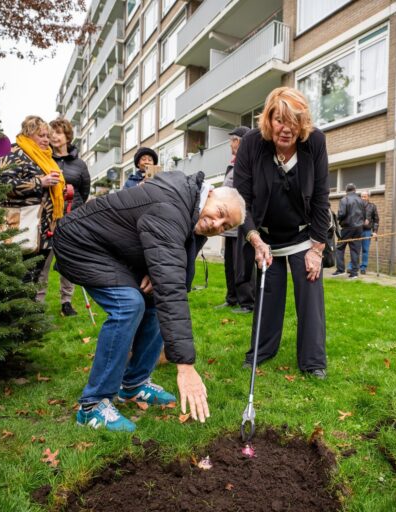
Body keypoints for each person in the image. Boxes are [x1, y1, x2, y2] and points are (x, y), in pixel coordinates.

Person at [52, 170, 245, 432]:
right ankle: (93, 405)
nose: (217, 224)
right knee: (128, 305)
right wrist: (185, 366)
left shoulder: (193, 214)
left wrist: (157, 271)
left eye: (225, 226)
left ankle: (133, 384)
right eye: (220, 212)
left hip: (113, 250)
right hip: (80, 242)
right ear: (209, 194)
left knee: (153, 299)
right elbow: (172, 289)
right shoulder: (172, 205)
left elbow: (178, 277)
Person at [234, 86, 330, 379]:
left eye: (294, 122)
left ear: (302, 124)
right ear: (269, 119)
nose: (286, 129)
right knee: (268, 294)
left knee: (310, 293)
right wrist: (254, 238)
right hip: (265, 236)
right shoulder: (252, 143)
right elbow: (241, 199)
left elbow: (320, 198)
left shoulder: (315, 142)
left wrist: (316, 249)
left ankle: (313, 361)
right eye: (279, 121)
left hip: (303, 236)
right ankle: (261, 352)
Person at [0, 115, 65, 285]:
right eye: (41, 135)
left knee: (34, 279)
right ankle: (16, 311)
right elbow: (4, 185)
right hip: (20, 227)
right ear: (28, 133)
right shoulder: (13, 152)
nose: (46, 140)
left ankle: (29, 310)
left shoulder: (45, 158)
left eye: (48, 136)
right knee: (17, 279)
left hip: (44, 232)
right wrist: (39, 182)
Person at [32, 118, 91, 316]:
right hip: (48, 218)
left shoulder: (80, 165)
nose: (53, 137)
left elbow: (85, 191)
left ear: (67, 136)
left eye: (57, 132)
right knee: (44, 262)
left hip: (72, 219)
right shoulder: (43, 159)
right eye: (50, 133)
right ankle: (38, 302)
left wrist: (76, 211)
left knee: (67, 260)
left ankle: (66, 302)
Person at [216, 125, 255, 314]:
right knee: (229, 263)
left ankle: (247, 302)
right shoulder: (233, 163)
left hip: (242, 223)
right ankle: (231, 298)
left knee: (242, 264)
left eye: (232, 140)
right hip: (229, 225)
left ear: (239, 142)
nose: (230, 144)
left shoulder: (248, 162)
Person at [333, 183, 364, 279]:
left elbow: (342, 213)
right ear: (355, 190)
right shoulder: (361, 200)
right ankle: (354, 273)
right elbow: (364, 214)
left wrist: (337, 218)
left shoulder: (344, 199)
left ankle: (340, 270)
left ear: (346, 190)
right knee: (355, 250)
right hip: (359, 228)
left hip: (347, 227)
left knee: (339, 248)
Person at [357, 190, 379, 274]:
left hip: (367, 231)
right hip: (357, 231)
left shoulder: (372, 206)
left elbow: (376, 220)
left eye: (364, 196)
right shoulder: (357, 206)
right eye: (361, 196)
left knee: (365, 250)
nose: (363, 198)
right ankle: (352, 266)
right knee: (355, 249)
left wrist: (375, 231)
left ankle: (363, 267)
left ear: (368, 197)